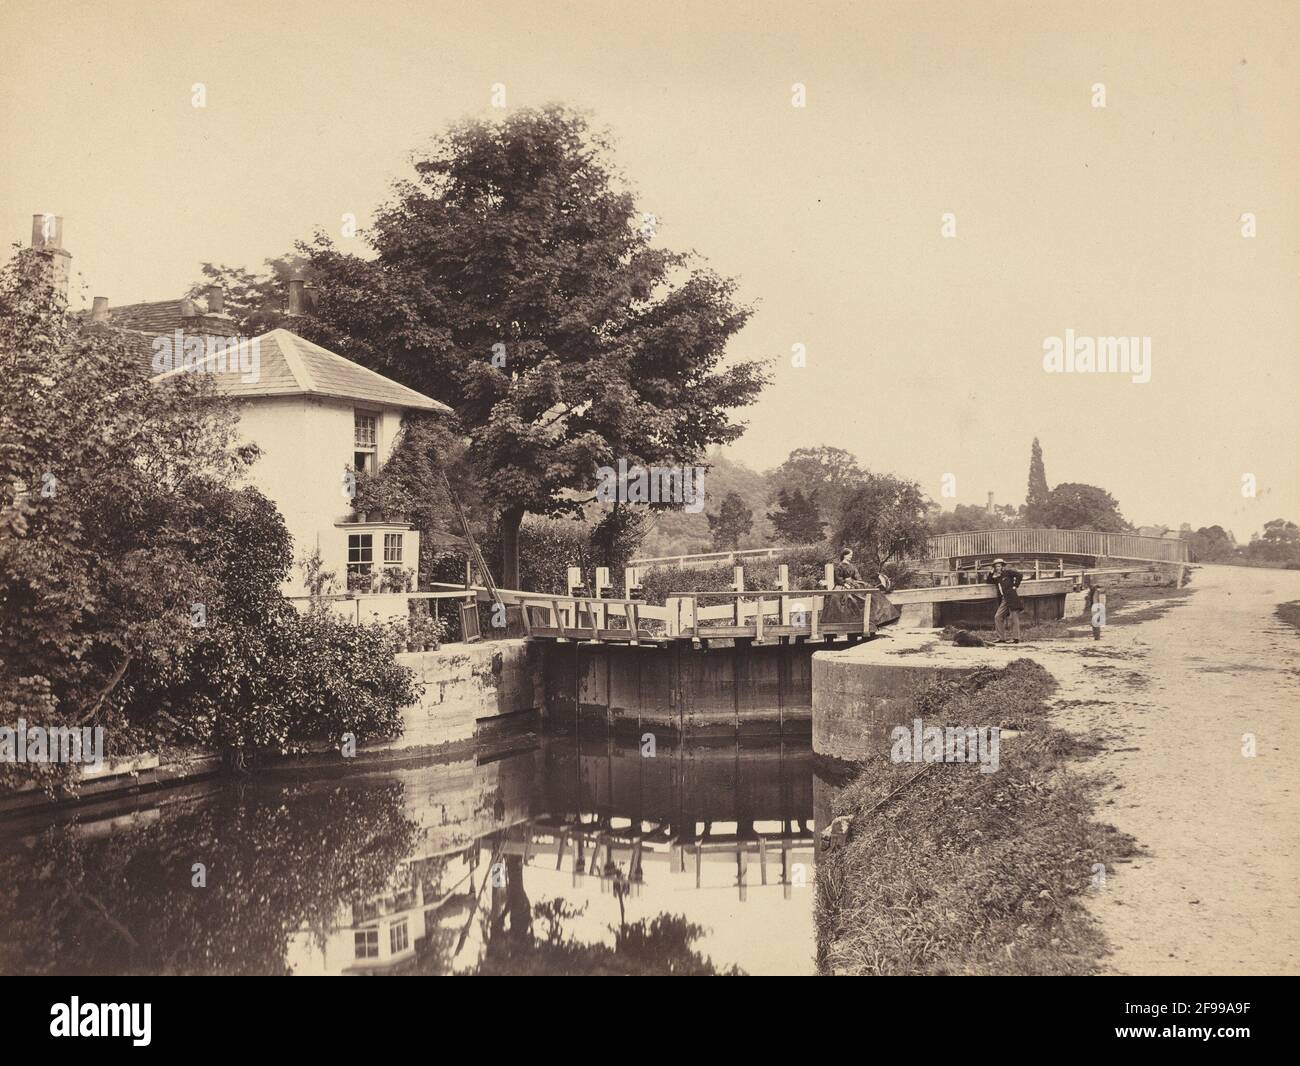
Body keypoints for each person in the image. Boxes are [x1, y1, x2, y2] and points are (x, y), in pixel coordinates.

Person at [986, 558, 1024, 643]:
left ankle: (1016, 638)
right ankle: (1001, 638)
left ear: (1002, 566)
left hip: (1012, 597)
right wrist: (991, 572)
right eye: (996, 567)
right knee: (998, 617)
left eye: (999, 566)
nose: (997, 568)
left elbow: (1019, 575)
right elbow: (988, 581)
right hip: (1004, 600)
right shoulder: (996, 577)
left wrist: (1015, 585)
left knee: (1014, 618)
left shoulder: (1008, 573)